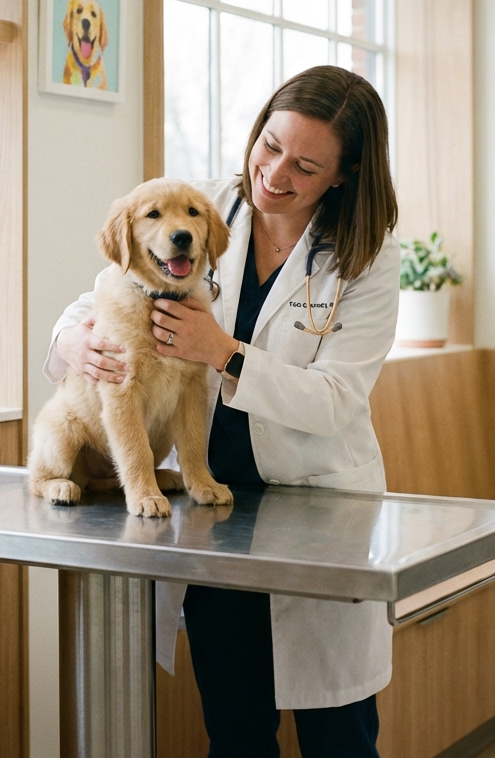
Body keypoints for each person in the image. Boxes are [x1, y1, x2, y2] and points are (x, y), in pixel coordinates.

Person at [44, 65, 400, 758]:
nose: (272, 174)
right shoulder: (199, 206)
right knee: (236, 734)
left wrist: (224, 353)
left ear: (345, 175)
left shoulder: (367, 257)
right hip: (217, 515)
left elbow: (336, 400)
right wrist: (72, 344)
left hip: (315, 505)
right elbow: (94, 302)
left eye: (304, 165)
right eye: (268, 146)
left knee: (340, 739)